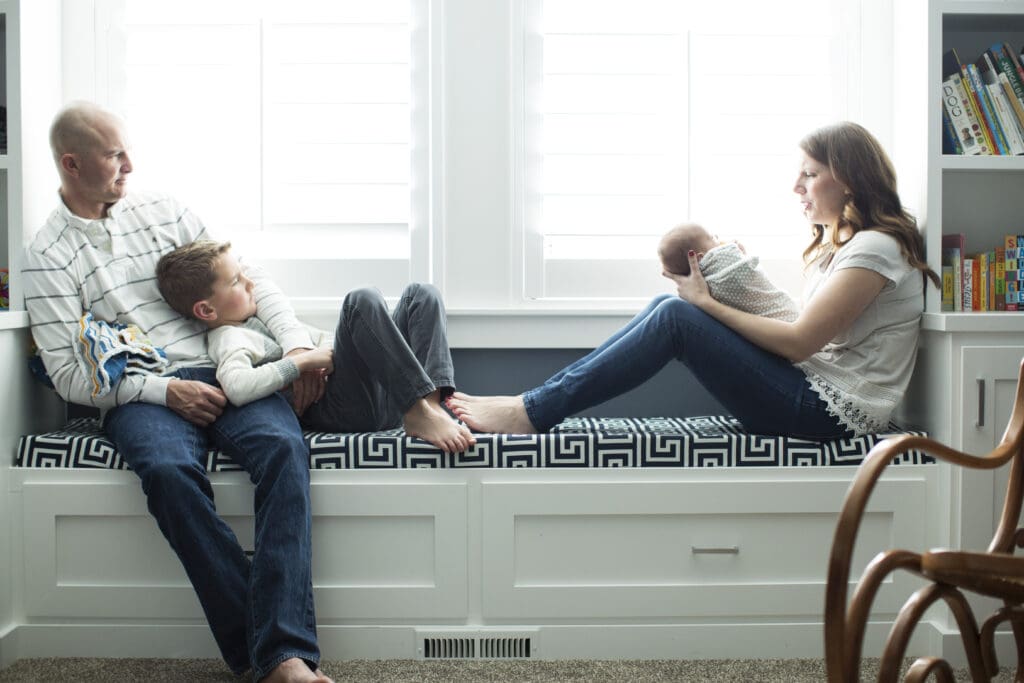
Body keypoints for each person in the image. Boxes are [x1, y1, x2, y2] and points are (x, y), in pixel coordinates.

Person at [23, 101, 333, 683]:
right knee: (167, 475)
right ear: (71, 164)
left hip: (226, 363)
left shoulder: (164, 211)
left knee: (285, 452)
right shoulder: (46, 257)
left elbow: (248, 277)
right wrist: (166, 393)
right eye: (115, 156)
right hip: (141, 393)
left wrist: (294, 348)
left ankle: (282, 654)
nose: (130, 166)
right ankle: (273, 658)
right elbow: (69, 375)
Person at [448, 121, 941, 440]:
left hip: (828, 415)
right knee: (671, 311)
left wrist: (707, 304)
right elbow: (802, 334)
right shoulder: (853, 248)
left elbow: (799, 341)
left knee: (679, 316)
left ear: (848, 178)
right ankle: (532, 405)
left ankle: (531, 411)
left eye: (809, 175)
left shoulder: (876, 248)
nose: (797, 186)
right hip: (810, 393)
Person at [155, 240, 476, 453]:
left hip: (377, 399)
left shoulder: (264, 322)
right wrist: (302, 364)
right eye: (237, 281)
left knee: (422, 294)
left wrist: (323, 355)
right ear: (207, 310)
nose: (251, 283)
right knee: (360, 300)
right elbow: (237, 387)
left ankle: (428, 408)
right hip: (340, 410)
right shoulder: (228, 337)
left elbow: (328, 351)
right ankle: (417, 410)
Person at [658, 222, 798, 322]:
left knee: (671, 308)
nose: (718, 240)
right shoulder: (722, 261)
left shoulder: (702, 289)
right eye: (712, 238)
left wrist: (740, 257)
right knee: (663, 300)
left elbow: (746, 278)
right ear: (700, 258)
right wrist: (736, 253)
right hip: (787, 318)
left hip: (782, 329)